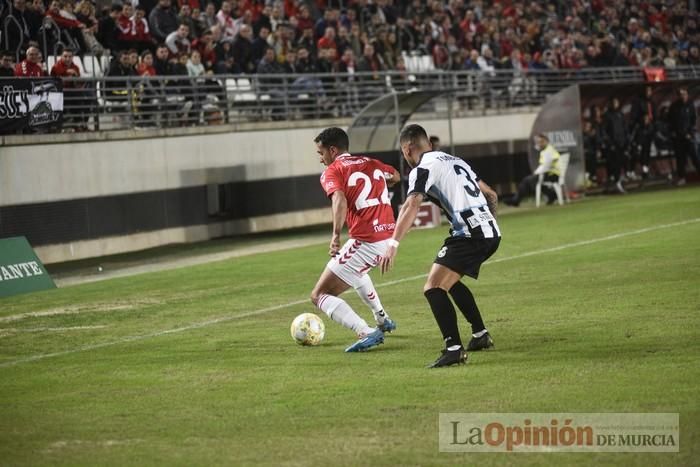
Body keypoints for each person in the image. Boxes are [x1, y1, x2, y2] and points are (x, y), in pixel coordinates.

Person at [379, 124, 501, 368]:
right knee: (450, 282)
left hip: (469, 234)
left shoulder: (422, 167)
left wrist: (393, 243)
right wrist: (489, 223)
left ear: (407, 148)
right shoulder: (457, 161)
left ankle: (453, 349)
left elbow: (412, 203)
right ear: (429, 144)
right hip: (489, 232)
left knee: (433, 288)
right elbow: (491, 195)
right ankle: (480, 335)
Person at [310, 127, 401, 353]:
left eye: (321, 153)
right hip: (387, 236)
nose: (321, 159)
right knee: (357, 272)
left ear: (333, 150)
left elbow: (339, 200)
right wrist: (380, 182)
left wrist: (335, 236)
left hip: (367, 240)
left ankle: (365, 330)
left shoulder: (333, 171)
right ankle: (382, 319)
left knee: (319, 295)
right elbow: (396, 176)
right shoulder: (371, 162)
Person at [504, 133, 560, 207]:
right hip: (547, 174)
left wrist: (537, 172)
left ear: (546, 141)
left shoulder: (549, 150)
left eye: (541, 142)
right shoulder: (546, 150)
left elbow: (548, 164)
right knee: (531, 181)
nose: (539, 144)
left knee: (528, 181)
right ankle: (552, 195)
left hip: (552, 175)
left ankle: (516, 200)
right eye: (538, 142)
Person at [668, 87, 699, 186]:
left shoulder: (690, 105)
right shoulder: (674, 106)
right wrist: (673, 132)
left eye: (685, 94)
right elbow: (670, 121)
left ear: (687, 95)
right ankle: (681, 178)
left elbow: (694, 120)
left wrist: (690, 133)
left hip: (689, 136)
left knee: (695, 156)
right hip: (678, 137)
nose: (683, 96)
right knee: (680, 159)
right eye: (681, 94)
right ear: (678, 96)